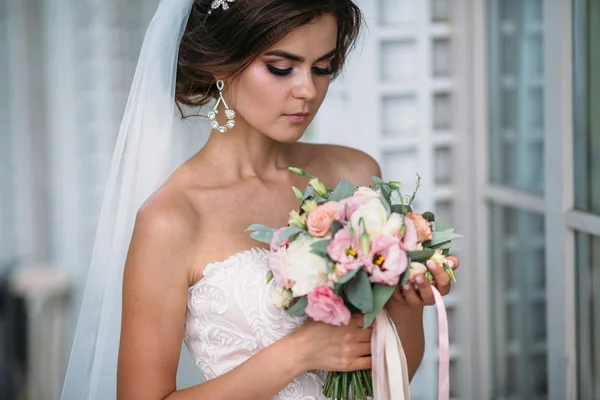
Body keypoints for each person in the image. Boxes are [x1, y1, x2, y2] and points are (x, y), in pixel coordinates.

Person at [61, 0, 459, 399]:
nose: (307, 90)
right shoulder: (172, 218)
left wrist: (407, 304)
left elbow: (391, 378)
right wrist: (298, 353)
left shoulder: (352, 173)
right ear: (221, 64)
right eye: (281, 68)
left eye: (322, 67)